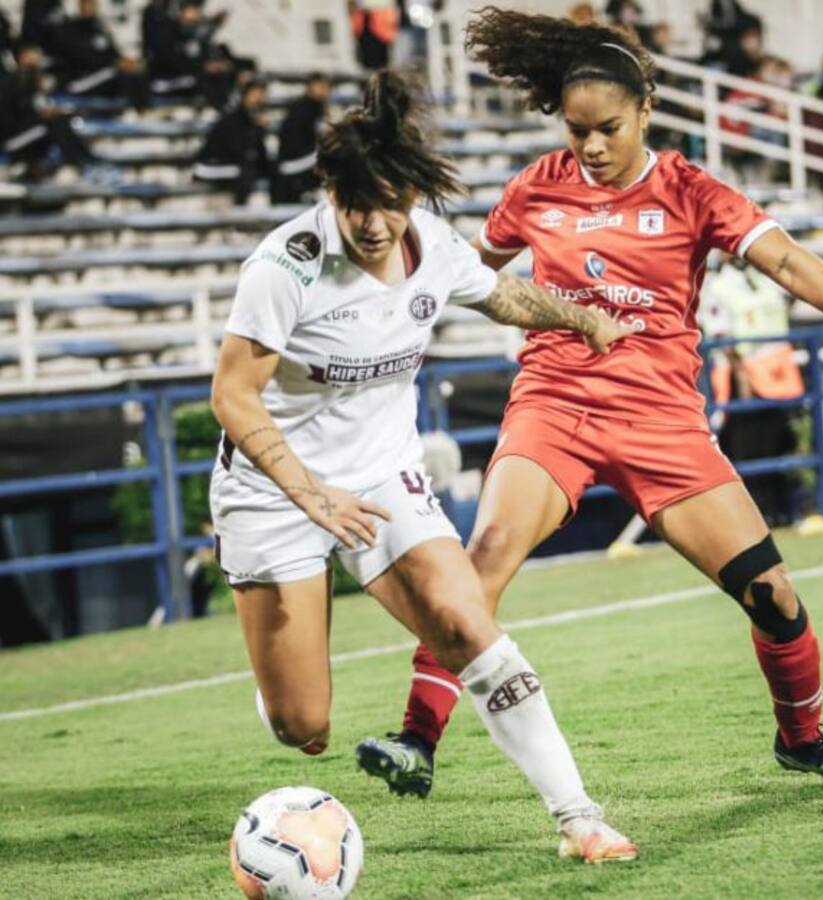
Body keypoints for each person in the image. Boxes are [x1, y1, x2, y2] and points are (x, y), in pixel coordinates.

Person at [386, 7, 823, 802]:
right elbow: (473, 271)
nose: (591, 146)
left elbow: (784, 260)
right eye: (577, 130)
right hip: (555, 405)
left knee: (773, 598)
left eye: (608, 127)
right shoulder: (536, 188)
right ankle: (416, 738)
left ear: (645, 109)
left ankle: (805, 739)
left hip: (661, 419)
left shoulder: (690, 190)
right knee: (484, 563)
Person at [208, 69, 638, 863]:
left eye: (393, 202)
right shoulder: (286, 268)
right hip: (276, 492)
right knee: (305, 727)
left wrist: (583, 319)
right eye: (358, 204)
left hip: (381, 474)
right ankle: (282, 687)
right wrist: (308, 495)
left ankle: (580, 820)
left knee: (466, 618)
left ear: (416, 195)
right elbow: (233, 397)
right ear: (331, 192)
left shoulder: (430, 244)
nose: (375, 223)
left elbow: (501, 295)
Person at [700, 253, 804, 527]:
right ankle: (758, 518)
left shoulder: (763, 278)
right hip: (743, 376)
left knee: (780, 441)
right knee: (748, 447)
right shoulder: (719, 286)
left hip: (778, 372)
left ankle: (785, 510)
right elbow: (720, 333)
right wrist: (741, 374)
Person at [0, 43, 97, 180]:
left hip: (29, 131)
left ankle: (86, 160)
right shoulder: (14, 81)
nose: (37, 58)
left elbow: (37, 106)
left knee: (62, 118)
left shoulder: (33, 79)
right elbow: (11, 116)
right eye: (32, 54)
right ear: (22, 57)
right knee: (55, 122)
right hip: (12, 138)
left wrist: (46, 112)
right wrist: (39, 116)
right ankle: (76, 165)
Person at [48, 0, 149, 109]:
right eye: (85, 3)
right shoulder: (69, 29)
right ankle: (135, 110)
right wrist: (116, 64)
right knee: (119, 73)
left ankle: (144, 110)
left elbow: (112, 52)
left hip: (102, 75)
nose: (89, 7)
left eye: (92, 3)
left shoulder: (99, 27)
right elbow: (83, 58)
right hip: (78, 81)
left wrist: (125, 62)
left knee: (137, 70)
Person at [193, 78, 271, 204]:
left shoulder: (252, 120)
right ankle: (239, 213)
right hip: (209, 167)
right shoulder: (233, 118)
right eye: (254, 94)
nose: (258, 99)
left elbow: (259, 153)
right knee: (246, 172)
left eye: (262, 95)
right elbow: (238, 150)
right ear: (245, 96)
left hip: (228, 164)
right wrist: (257, 129)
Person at [271, 72, 330, 204]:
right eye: (319, 86)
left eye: (325, 87)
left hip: (306, 158)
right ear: (309, 87)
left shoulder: (318, 107)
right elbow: (294, 142)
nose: (323, 90)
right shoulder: (301, 109)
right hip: (291, 161)